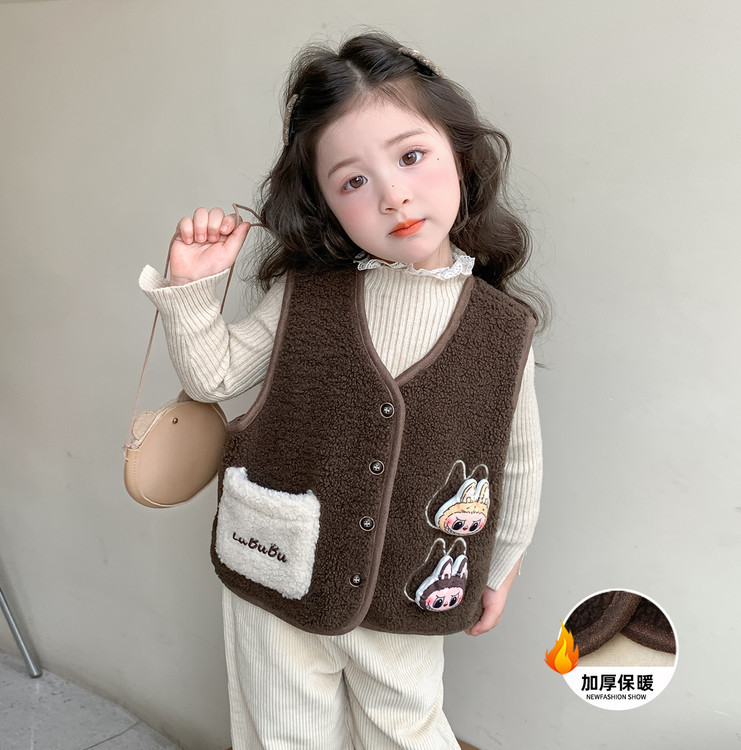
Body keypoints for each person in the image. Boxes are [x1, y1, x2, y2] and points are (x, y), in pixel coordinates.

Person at [139, 30, 545, 750]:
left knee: (405, 731)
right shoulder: (308, 294)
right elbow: (213, 377)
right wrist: (192, 290)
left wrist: (501, 566)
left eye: (411, 156)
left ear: (459, 152)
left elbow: (517, 462)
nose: (393, 195)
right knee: (283, 736)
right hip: (275, 567)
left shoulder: (502, 329)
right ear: (325, 204)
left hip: (409, 584)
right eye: (353, 181)